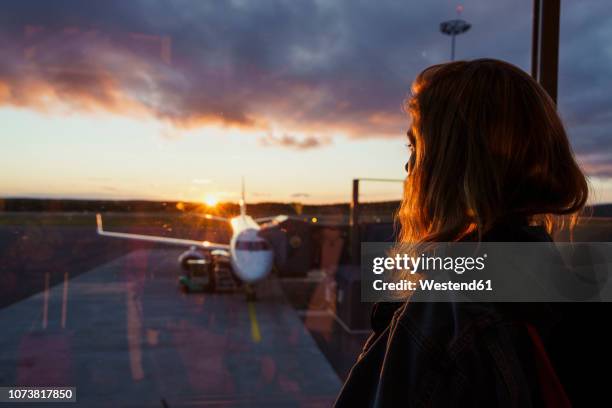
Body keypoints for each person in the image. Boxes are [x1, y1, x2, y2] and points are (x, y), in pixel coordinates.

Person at [334, 59, 592, 407]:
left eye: (416, 148)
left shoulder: (446, 311)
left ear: (454, 166)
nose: (409, 167)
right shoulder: (573, 291)